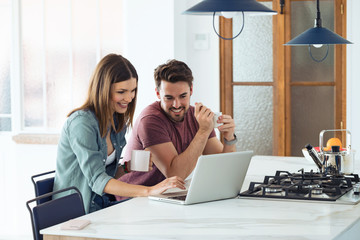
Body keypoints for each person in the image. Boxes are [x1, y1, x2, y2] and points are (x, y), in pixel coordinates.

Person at [53, 54, 185, 213]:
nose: (129, 98)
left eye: (133, 90)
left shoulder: (117, 121)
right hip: (76, 212)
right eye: (121, 91)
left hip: (100, 206)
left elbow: (107, 174)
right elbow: (98, 181)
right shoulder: (81, 124)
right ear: (103, 89)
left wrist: (129, 167)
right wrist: (149, 191)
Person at [116, 59, 237, 199]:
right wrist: (203, 132)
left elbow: (221, 168)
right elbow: (175, 174)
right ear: (157, 94)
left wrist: (229, 138)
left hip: (167, 196)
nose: (177, 104)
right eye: (169, 98)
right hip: (133, 199)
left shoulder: (197, 117)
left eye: (183, 96)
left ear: (191, 90)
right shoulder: (150, 120)